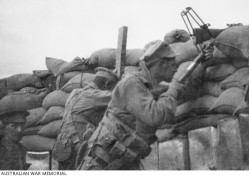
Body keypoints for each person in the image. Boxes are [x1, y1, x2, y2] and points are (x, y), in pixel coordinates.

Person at [77, 41, 213, 170]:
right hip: (101, 165)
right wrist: (173, 89)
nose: (175, 68)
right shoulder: (131, 84)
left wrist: (201, 65)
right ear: (160, 64)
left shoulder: (149, 88)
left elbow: (177, 92)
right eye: (173, 65)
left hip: (122, 163)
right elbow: (155, 116)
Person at [52, 67, 119, 170]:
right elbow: (117, 97)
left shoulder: (74, 92)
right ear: (106, 84)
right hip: (77, 147)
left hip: (62, 145)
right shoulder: (93, 96)